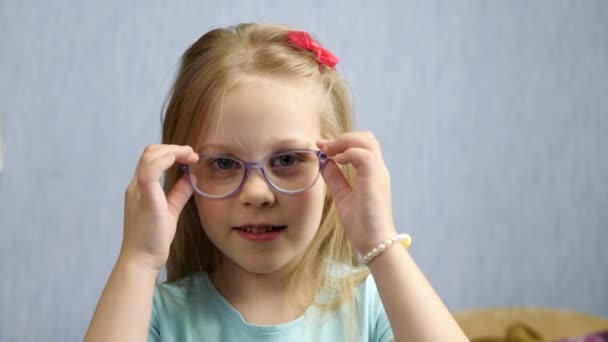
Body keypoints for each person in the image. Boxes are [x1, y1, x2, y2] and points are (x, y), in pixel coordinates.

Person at [84, 23, 468, 341]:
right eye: (222, 163)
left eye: (287, 160)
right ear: (183, 175)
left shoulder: (372, 303)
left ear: (334, 167)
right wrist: (138, 260)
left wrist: (380, 243)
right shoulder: (153, 314)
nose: (256, 193)